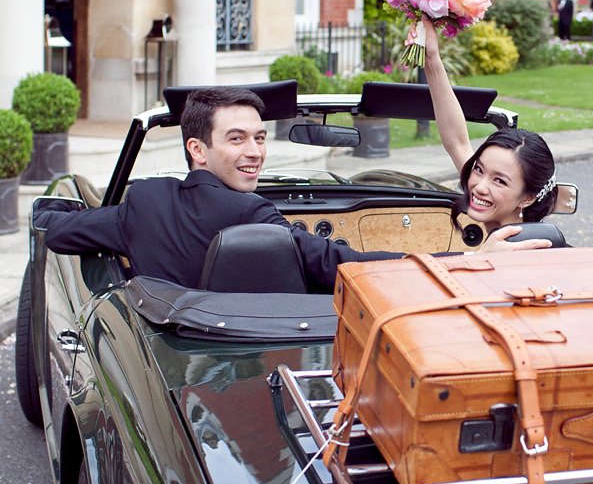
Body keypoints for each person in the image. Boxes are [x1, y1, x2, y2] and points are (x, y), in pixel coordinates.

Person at [39, 87, 546, 289]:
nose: (255, 152)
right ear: (198, 149)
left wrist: (53, 217)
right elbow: (342, 263)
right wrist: (464, 262)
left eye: (260, 138)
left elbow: (62, 233)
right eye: (236, 139)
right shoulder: (257, 217)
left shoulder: (143, 205)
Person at [423, 19, 558, 233]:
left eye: (500, 181)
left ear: (528, 198)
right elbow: (457, 142)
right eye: (478, 169)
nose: (479, 186)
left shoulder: (525, 251)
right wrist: (431, 59)